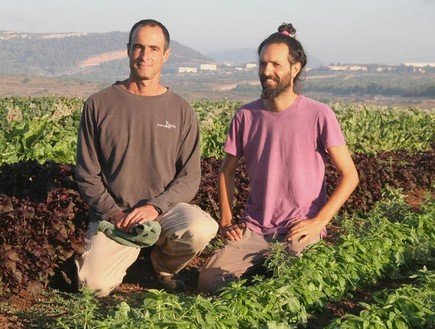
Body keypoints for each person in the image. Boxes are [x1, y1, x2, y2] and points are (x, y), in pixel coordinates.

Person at [198, 23, 359, 293]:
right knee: (209, 282)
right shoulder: (245, 116)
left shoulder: (319, 114)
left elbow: (350, 175)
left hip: (299, 228)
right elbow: (226, 172)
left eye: (276, 64)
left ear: (295, 69)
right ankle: (259, 269)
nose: (267, 71)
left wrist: (319, 222)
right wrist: (226, 222)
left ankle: (264, 273)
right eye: (262, 64)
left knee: (293, 287)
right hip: (255, 228)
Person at [75, 19, 218, 297]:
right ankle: (125, 254)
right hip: (115, 217)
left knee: (200, 227)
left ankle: (162, 265)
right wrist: (114, 212)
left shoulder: (181, 110)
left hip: (163, 212)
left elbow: (190, 178)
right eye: (138, 47)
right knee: (93, 287)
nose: (145, 55)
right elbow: (86, 174)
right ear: (128, 50)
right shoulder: (99, 104)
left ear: (166, 54)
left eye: (153, 48)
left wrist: (156, 207)